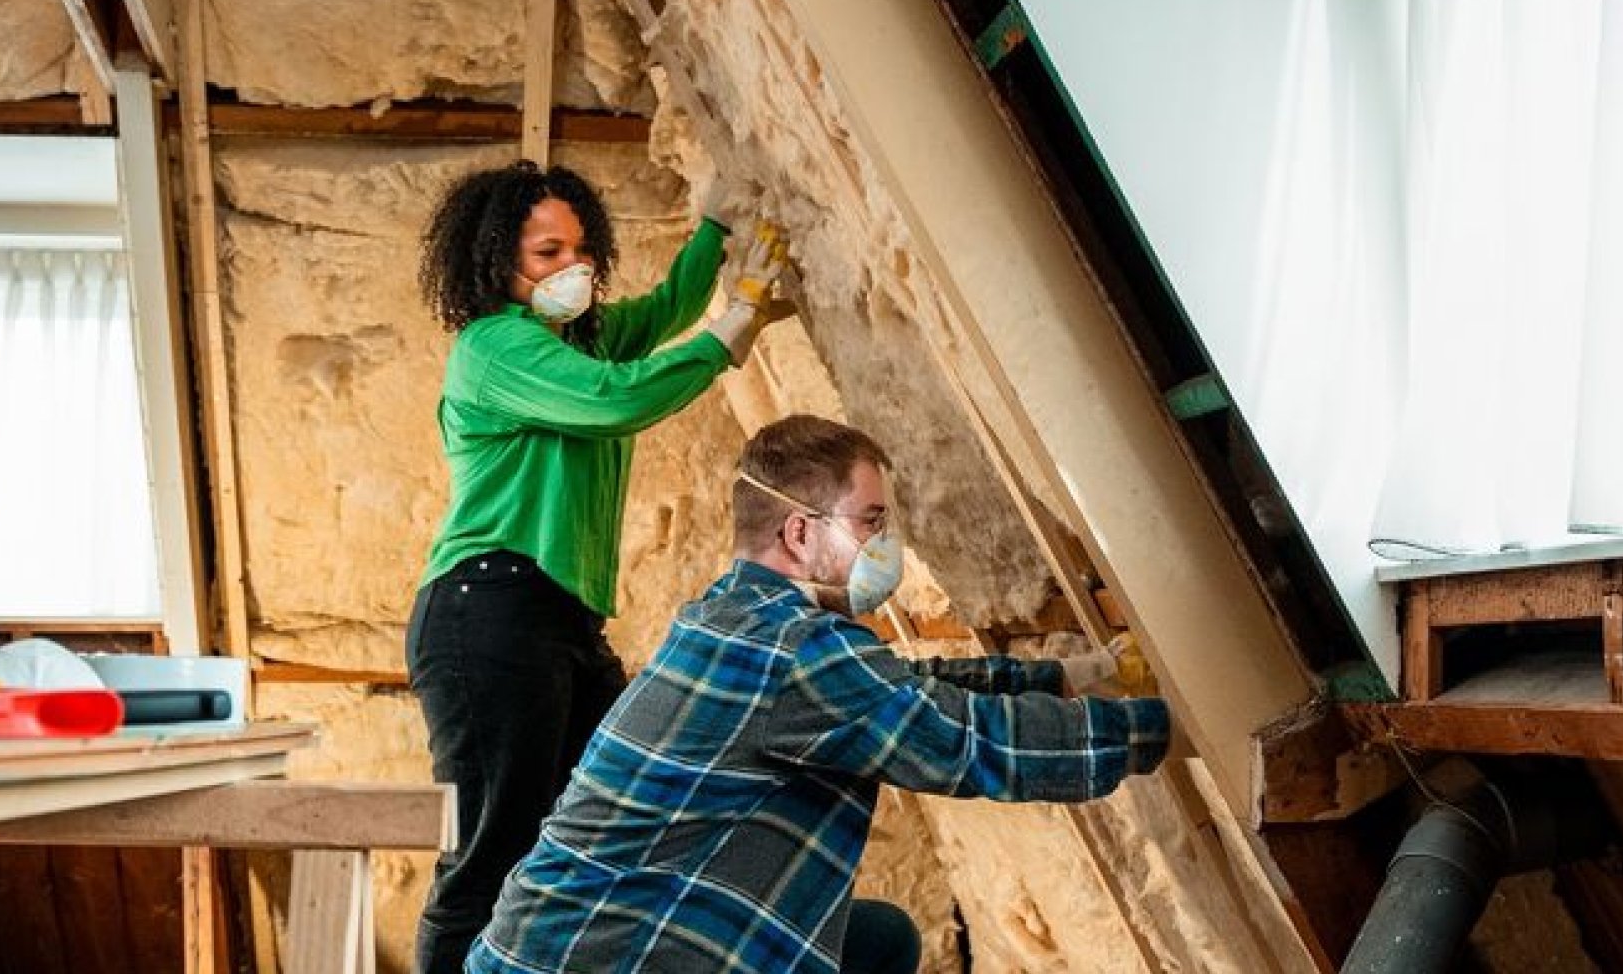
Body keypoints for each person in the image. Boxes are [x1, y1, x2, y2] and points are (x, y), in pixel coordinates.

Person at [468, 414, 1165, 974]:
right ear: (800, 531)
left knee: (876, 940)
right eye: (869, 521)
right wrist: (1160, 728)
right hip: (597, 956)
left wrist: (1073, 674)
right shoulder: (793, 651)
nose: (885, 544)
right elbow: (968, 743)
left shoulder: (736, 616)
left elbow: (899, 692)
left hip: (553, 947)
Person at [408, 161, 790, 974]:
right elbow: (619, 397)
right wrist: (734, 330)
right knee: (493, 849)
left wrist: (715, 235)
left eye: (581, 250)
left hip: (558, 622)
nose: (573, 270)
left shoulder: (572, 337)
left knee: (606, 819)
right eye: (548, 254)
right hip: (489, 612)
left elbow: (659, 316)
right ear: (494, 263)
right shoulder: (494, 346)